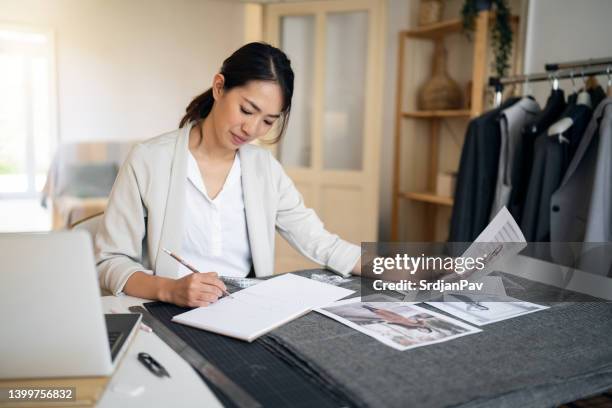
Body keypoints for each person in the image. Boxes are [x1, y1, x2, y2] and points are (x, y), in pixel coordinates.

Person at [95, 42, 361, 307]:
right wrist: (170, 289)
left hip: (245, 308)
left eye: (268, 121)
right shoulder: (149, 160)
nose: (252, 129)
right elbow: (109, 261)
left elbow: (321, 242)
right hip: (168, 310)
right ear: (219, 87)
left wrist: (396, 266)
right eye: (246, 110)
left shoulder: (264, 169)